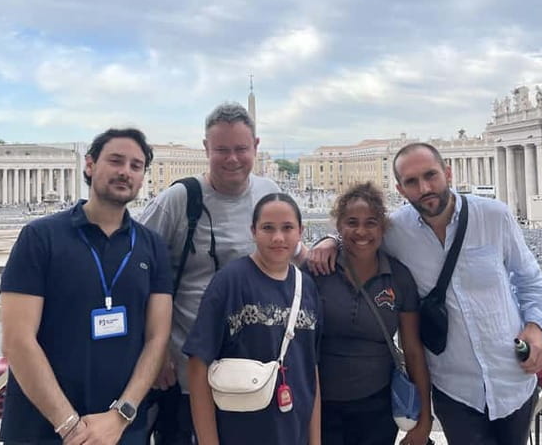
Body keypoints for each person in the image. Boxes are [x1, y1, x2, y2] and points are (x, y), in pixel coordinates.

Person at [310, 143, 542, 445]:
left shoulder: (494, 216)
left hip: (512, 379)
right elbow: (359, 234)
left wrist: (536, 328)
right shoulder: (397, 231)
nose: (424, 188)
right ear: (400, 188)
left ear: (447, 172)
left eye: (431, 175)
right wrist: (330, 241)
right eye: (412, 181)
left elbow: (531, 280)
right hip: (455, 389)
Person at [0, 128, 173, 445]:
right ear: (90, 165)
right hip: (42, 429)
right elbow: (17, 340)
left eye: (136, 166)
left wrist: (121, 416)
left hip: (121, 431)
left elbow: (157, 338)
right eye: (116, 160)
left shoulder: (152, 246)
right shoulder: (39, 237)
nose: (125, 171)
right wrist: (70, 427)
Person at [139, 102, 279, 443]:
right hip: (187, 375)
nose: (233, 159)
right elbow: (135, 271)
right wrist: (153, 353)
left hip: (254, 373)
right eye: (222, 150)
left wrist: (331, 243)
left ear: (256, 147)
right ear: (206, 149)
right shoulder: (177, 200)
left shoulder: (271, 192)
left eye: (241, 149)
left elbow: (294, 255)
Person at [184, 193, 321, 445]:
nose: (278, 237)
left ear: (301, 231)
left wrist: (315, 440)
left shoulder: (308, 287)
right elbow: (197, 364)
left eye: (287, 228)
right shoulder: (229, 282)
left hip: (295, 433)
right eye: (268, 228)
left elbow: (310, 369)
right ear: (253, 231)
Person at [313, 182, 432, 445]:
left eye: (371, 222)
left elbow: (412, 350)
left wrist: (425, 418)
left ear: (383, 227)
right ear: (339, 226)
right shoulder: (317, 272)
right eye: (351, 222)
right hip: (319, 406)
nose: (361, 231)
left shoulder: (399, 277)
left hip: (377, 407)